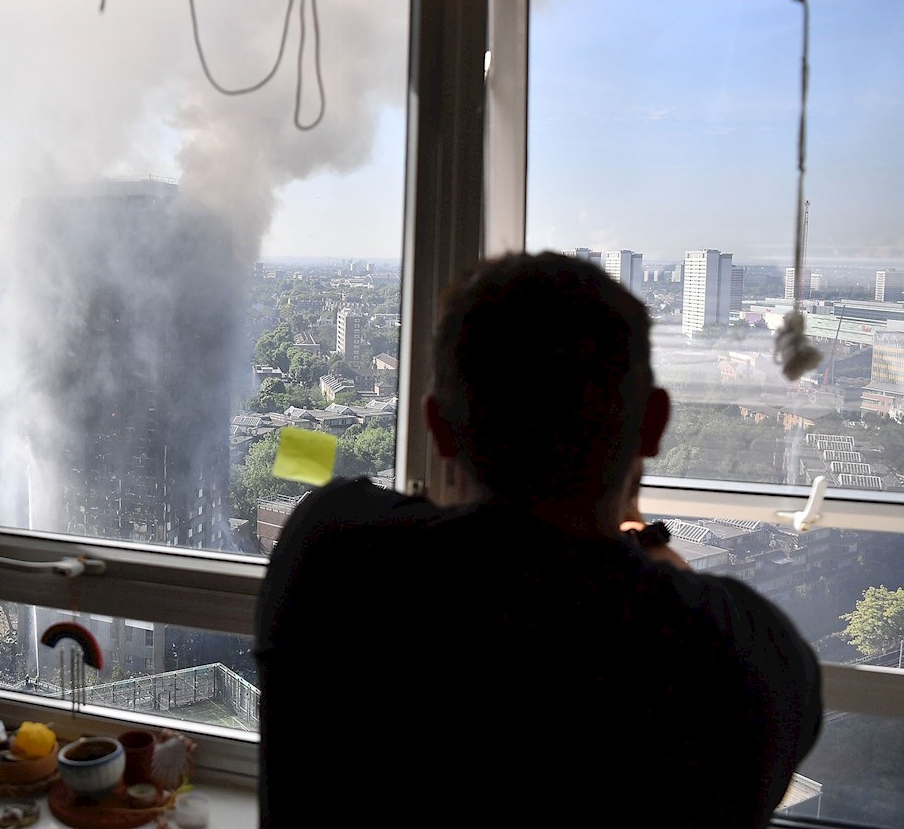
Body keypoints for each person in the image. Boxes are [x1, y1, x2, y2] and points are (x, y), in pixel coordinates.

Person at [255, 253, 821, 828]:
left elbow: (380, 508)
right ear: (654, 424)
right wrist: (639, 531)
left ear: (438, 428)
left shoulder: (329, 556)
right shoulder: (737, 657)